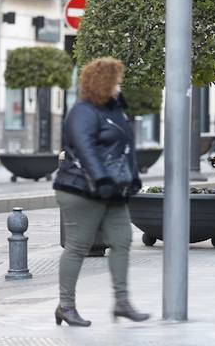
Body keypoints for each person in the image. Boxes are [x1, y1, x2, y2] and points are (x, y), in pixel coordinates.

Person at [52, 57, 148, 328]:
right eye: (116, 81)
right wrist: (102, 179)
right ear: (103, 83)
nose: (119, 85)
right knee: (78, 246)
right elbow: (86, 149)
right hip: (81, 189)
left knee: (122, 239)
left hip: (112, 190)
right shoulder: (83, 112)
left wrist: (134, 178)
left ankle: (122, 302)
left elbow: (125, 148)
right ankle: (66, 306)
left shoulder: (114, 110)